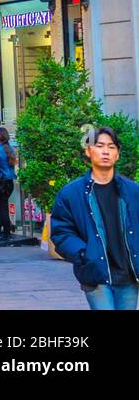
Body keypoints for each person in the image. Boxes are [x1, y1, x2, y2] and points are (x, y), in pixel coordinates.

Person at [50, 126, 139, 310]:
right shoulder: (71, 193)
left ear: (118, 154)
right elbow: (61, 232)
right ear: (88, 151)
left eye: (111, 146)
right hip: (96, 274)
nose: (106, 151)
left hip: (129, 274)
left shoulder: (133, 191)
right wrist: (84, 255)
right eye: (99, 146)